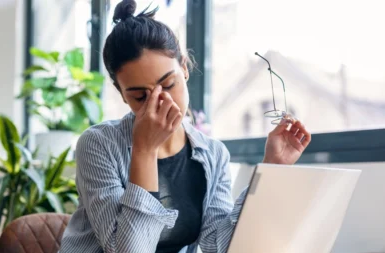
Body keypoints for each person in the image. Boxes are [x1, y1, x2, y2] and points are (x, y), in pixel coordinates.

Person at [59, 0, 311, 252]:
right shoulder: (98, 144)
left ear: (184, 67)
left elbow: (219, 245)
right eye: (140, 97)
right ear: (122, 94)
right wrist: (144, 151)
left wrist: (271, 168)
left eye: (168, 85)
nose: (161, 102)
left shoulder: (213, 154)